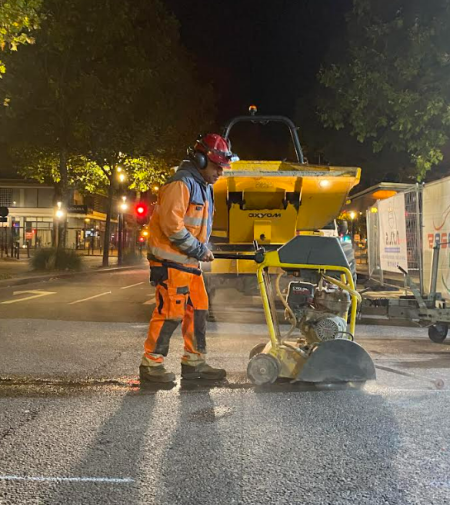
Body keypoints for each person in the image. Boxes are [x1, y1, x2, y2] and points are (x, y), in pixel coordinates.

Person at [140, 133, 237, 383]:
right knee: (170, 312)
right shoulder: (181, 184)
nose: (220, 173)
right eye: (217, 167)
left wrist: (202, 249)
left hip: (188, 263)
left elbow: (198, 227)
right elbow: (172, 226)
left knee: (199, 309)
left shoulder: (204, 188)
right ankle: (151, 365)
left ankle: (194, 363)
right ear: (202, 161)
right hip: (171, 262)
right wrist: (198, 249)